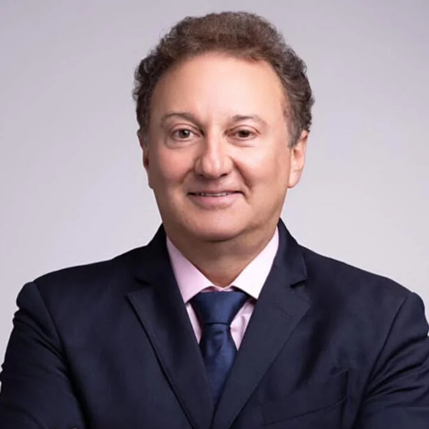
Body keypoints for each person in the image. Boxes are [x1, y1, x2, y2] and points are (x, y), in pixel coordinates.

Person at [1, 10, 428, 429]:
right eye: (183, 133)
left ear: (296, 155)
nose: (212, 164)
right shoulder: (57, 318)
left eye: (242, 133)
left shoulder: (385, 323)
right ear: (147, 154)